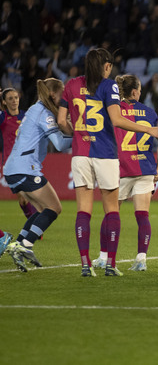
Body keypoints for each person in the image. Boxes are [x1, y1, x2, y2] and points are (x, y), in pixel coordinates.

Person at [57, 48, 158, 277]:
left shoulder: (71, 84)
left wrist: (76, 133)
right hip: (105, 154)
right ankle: (111, 265)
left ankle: (86, 264)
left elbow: (62, 121)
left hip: (80, 154)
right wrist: (148, 129)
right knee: (112, 209)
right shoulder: (109, 85)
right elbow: (117, 119)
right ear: (107, 66)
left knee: (84, 210)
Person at [90, 74, 158, 271]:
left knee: (110, 215)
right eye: (139, 90)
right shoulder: (149, 112)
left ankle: (103, 257)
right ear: (134, 91)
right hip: (146, 168)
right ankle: (141, 259)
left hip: (120, 169)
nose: (140, 92)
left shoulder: (113, 110)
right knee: (142, 216)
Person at [4, 78, 72, 272]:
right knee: (54, 208)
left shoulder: (36, 109)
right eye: (61, 95)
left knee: (43, 209)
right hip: (25, 168)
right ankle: (25, 245)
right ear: (53, 94)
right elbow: (59, 144)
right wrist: (80, 137)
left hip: (15, 169)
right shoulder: (43, 112)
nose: (63, 99)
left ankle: (18, 245)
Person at [1, 88, 38, 220]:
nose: (14, 101)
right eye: (10, 98)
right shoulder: (3, 118)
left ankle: (34, 225)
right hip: (11, 164)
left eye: (16, 97)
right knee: (23, 198)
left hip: (28, 161)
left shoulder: (26, 116)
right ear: (4, 102)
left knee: (29, 197)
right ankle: (34, 224)